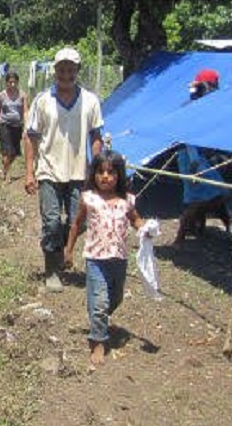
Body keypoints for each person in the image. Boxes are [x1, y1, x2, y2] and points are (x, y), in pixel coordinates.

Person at [24, 47, 104, 293]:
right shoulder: (43, 100)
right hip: (49, 170)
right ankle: (52, 270)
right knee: (50, 222)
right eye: (61, 69)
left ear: (77, 71)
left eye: (71, 69)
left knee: (78, 222)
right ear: (55, 71)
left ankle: (62, 249)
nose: (66, 74)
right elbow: (31, 137)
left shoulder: (90, 101)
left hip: (79, 172)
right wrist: (29, 171)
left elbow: (95, 135)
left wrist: (98, 169)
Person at [63, 150, 147, 367]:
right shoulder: (88, 199)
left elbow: (136, 220)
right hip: (95, 259)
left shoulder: (126, 201)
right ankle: (98, 341)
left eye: (111, 172)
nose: (106, 177)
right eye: (101, 172)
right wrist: (69, 250)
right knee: (100, 302)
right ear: (94, 175)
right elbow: (76, 224)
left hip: (119, 259)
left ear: (119, 175)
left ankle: (97, 315)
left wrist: (146, 229)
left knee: (115, 298)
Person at [173, 69, 232, 245]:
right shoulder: (193, 107)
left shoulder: (206, 105)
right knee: (198, 200)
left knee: (215, 193)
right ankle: (180, 237)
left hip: (199, 157)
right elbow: (188, 138)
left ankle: (206, 227)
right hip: (190, 157)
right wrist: (194, 162)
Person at [0, 71, 27, 182]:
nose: (12, 84)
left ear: (17, 82)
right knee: (7, 151)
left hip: (17, 126)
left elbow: (25, 111)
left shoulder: (22, 95)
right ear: (6, 83)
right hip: (5, 125)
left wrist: (26, 126)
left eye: (14, 82)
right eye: (10, 82)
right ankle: (7, 174)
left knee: (15, 152)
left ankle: (5, 168)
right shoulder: (1, 96)